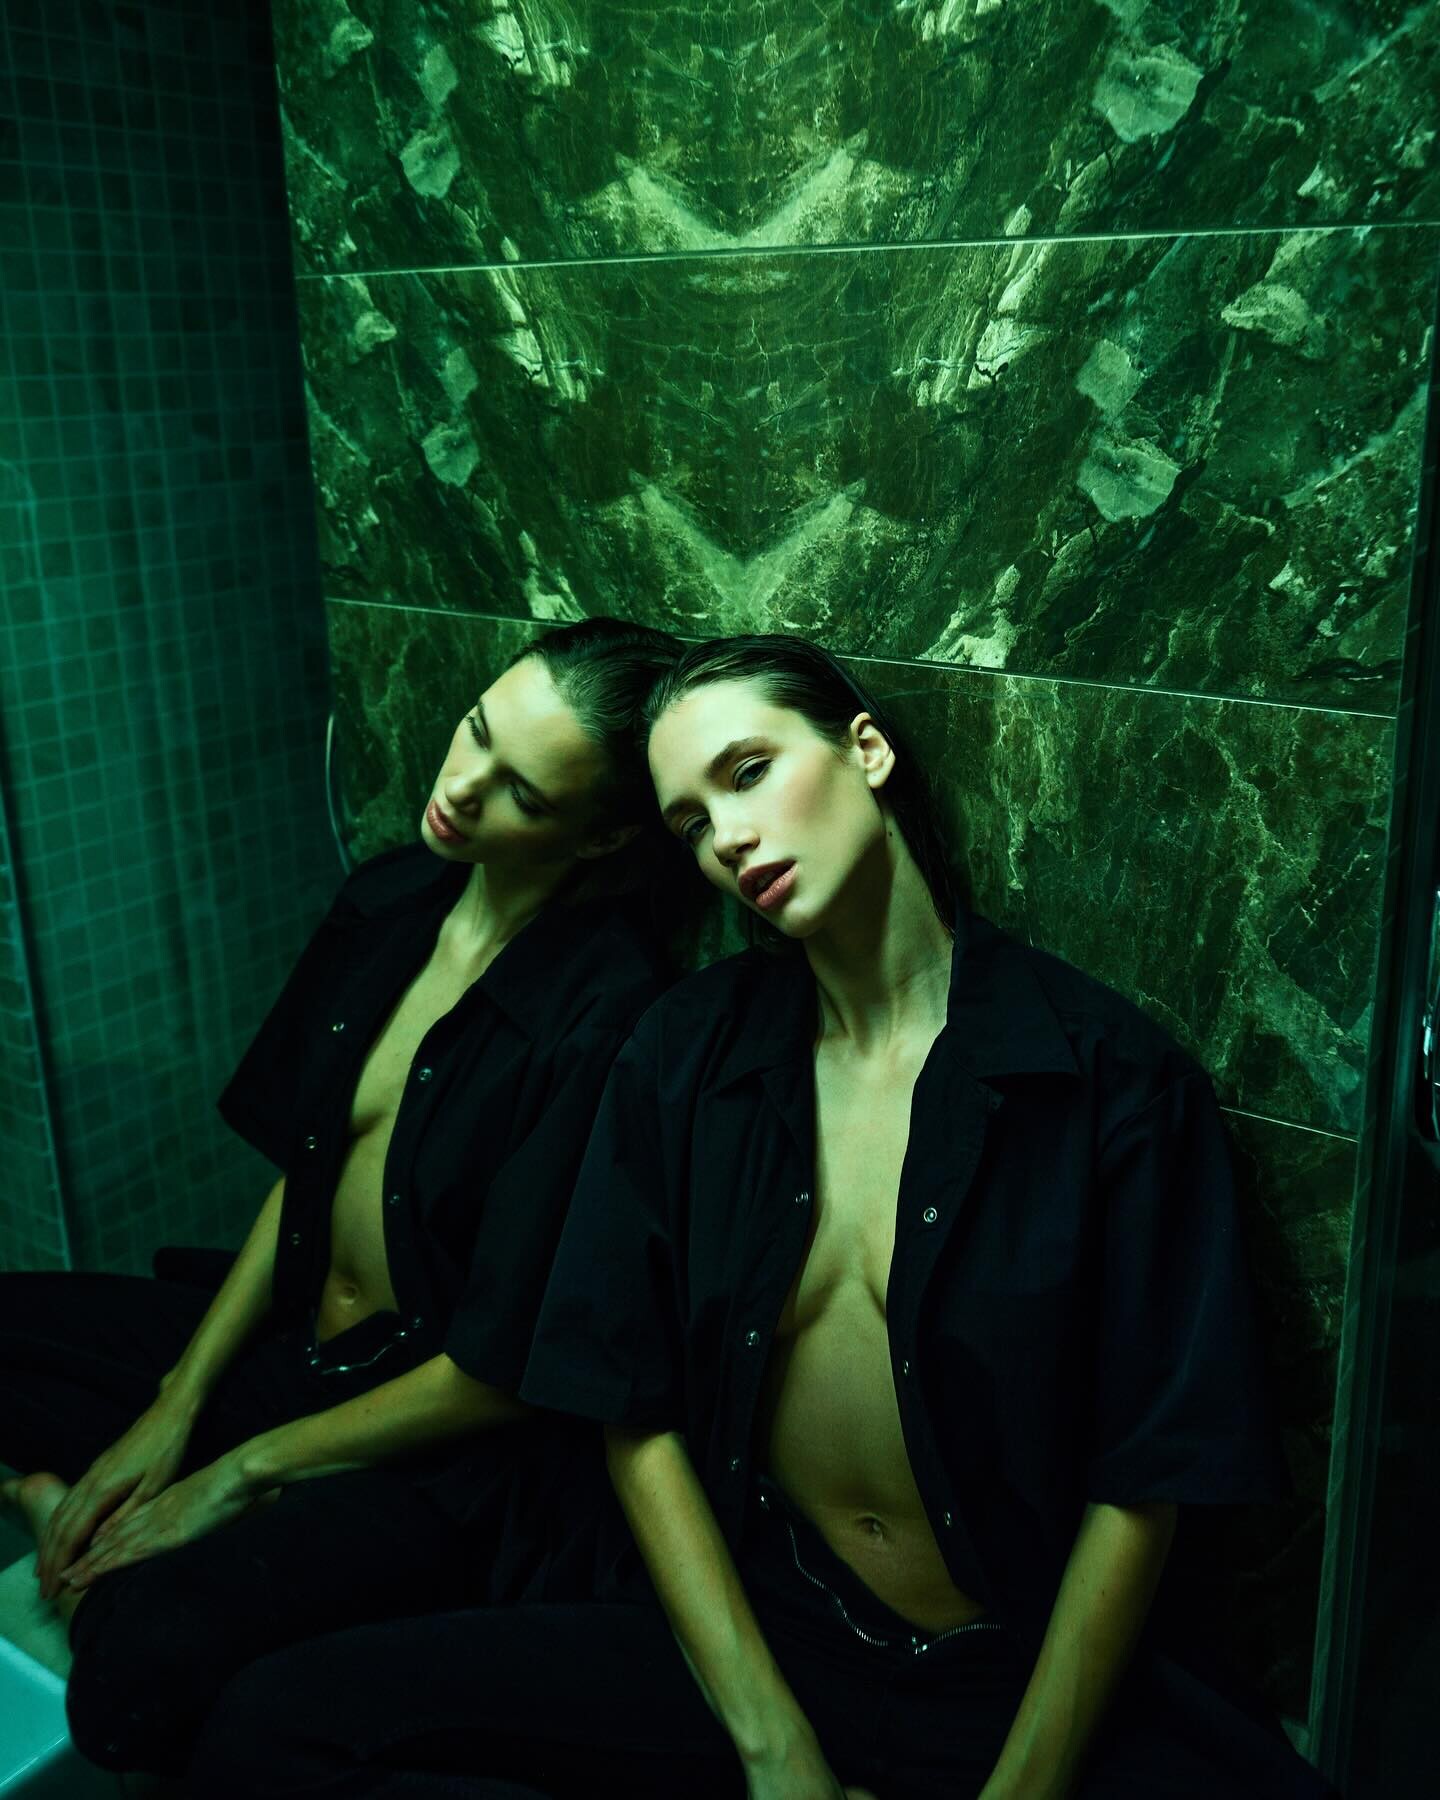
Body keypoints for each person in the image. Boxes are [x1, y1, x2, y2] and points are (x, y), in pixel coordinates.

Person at [186, 634, 1333, 1798]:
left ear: (866, 751)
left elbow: (1143, 1484)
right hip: (758, 1637)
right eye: (690, 823)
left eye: (747, 773)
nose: (727, 839)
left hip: (1014, 1676)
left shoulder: (1108, 1082)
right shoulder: (684, 1055)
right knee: (276, 1728)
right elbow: (630, 1414)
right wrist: (772, 1746)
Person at [0, 616, 684, 1776]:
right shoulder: (391, 898)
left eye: (521, 792)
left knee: (135, 1680)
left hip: (435, 1447)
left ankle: (109, 1526)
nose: (460, 786)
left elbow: (501, 1371)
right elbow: (309, 1174)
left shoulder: (608, 1016)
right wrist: (176, 1400)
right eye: (476, 731)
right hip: (295, 1347)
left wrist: (236, 1475)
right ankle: (83, 1496)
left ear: (604, 833)